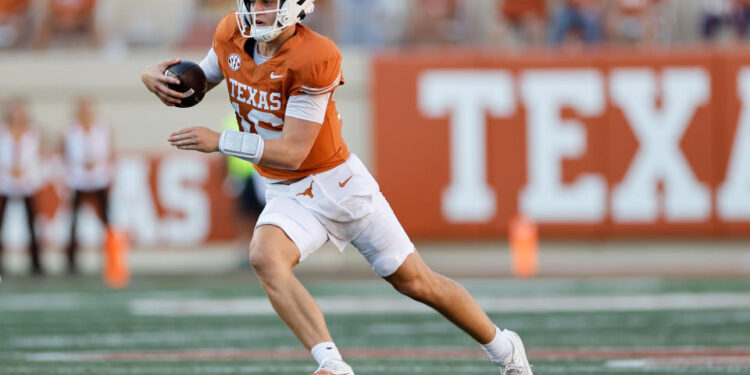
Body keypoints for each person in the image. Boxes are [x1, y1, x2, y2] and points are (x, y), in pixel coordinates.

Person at [140, 1, 533, 374]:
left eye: (268, 2)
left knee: (417, 282)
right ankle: (332, 363)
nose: (257, 11)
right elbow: (203, 78)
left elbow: (294, 151)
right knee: (264, 257)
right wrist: (159, 81)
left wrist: (221, 141)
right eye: (253, 1)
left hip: (339, 185)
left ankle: (504, 347)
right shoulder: (230, 32)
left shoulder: (315, 56)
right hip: (287, 192)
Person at [63, 97, 113, 274]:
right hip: (77, 179)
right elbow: (65, 152)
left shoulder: (101, 128)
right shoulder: (71, 129)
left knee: (107, 221)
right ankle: (70, 261)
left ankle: (112, 260)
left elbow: (108, 150)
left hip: (99, 178)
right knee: (73, 222)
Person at [0, 97, 43, 275]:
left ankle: (36, 263)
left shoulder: (32, 133)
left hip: (26, 182)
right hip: (5, 181)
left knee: (32, 223)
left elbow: (32, 155)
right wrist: (10, 167)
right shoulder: (3, 132)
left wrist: (21, 168)